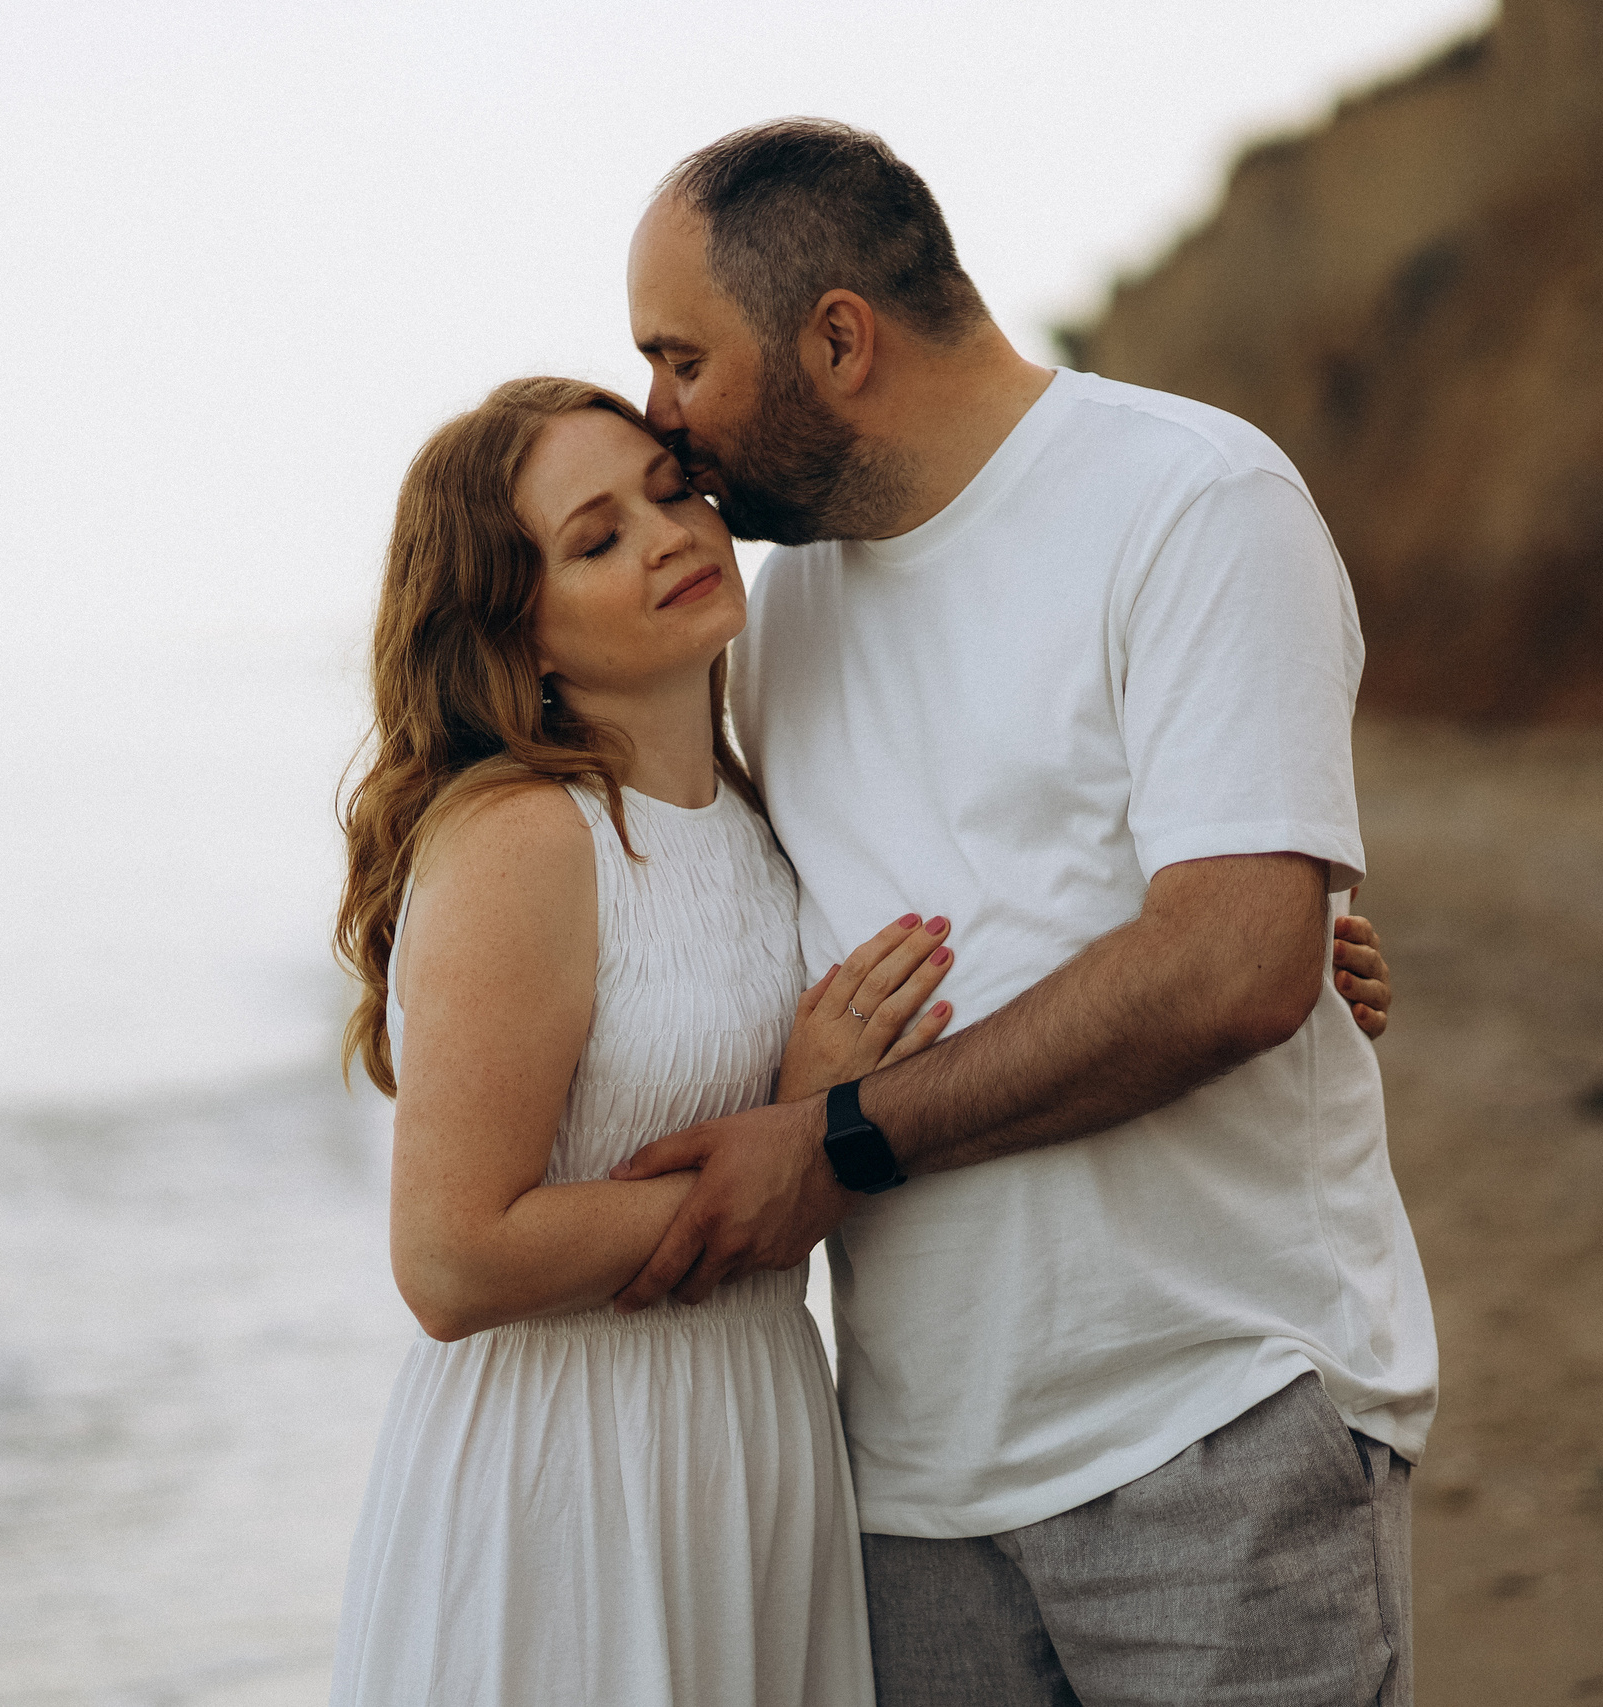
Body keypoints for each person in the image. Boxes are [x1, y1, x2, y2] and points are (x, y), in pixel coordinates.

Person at [326, 374, 1399, 1705]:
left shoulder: (760, 800)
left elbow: (997, 906)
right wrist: (795, 1140)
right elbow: (448, 1257)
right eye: (597, 539)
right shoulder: (525, 837)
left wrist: (1283, 936)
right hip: (575, 1471)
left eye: (670, 492)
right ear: (518, 631)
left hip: (759, 1441)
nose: (670, 535)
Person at [606, 120, 1436, 1706]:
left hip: (1213, 1428)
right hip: (913, 1489)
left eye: (680, 357)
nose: (661, 418)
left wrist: (846, 1139)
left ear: (837, 338)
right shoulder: (780, 621)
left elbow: (1236, 966)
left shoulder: (1190, 501)